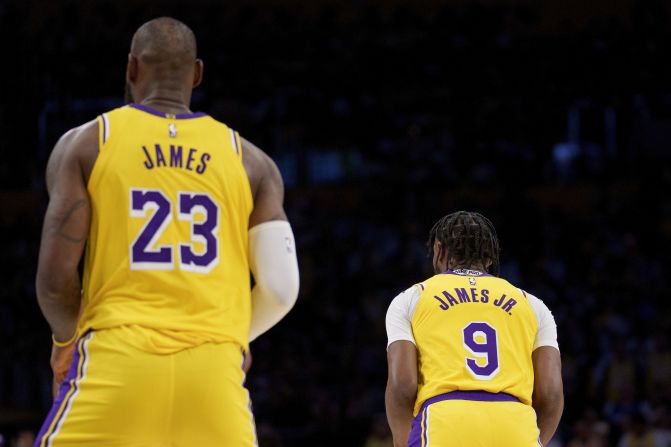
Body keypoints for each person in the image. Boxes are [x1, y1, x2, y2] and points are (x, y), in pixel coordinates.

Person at [34, 17, 299, 446]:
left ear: (131, 69)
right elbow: (283, 290)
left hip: (117, 363)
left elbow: (54, 282)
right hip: (214, 377)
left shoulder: (87, 143)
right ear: (196, 74)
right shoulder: (253, 162)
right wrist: (228, 336)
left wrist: (66, 342)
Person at [385, 211, 563, 446]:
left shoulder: (411, 298)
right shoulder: (533, 305)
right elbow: (551, 393)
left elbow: (402, 383)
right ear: (490, 256)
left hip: (444, 421)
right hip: (516, 424)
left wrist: (402, 440)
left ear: (438, 249)